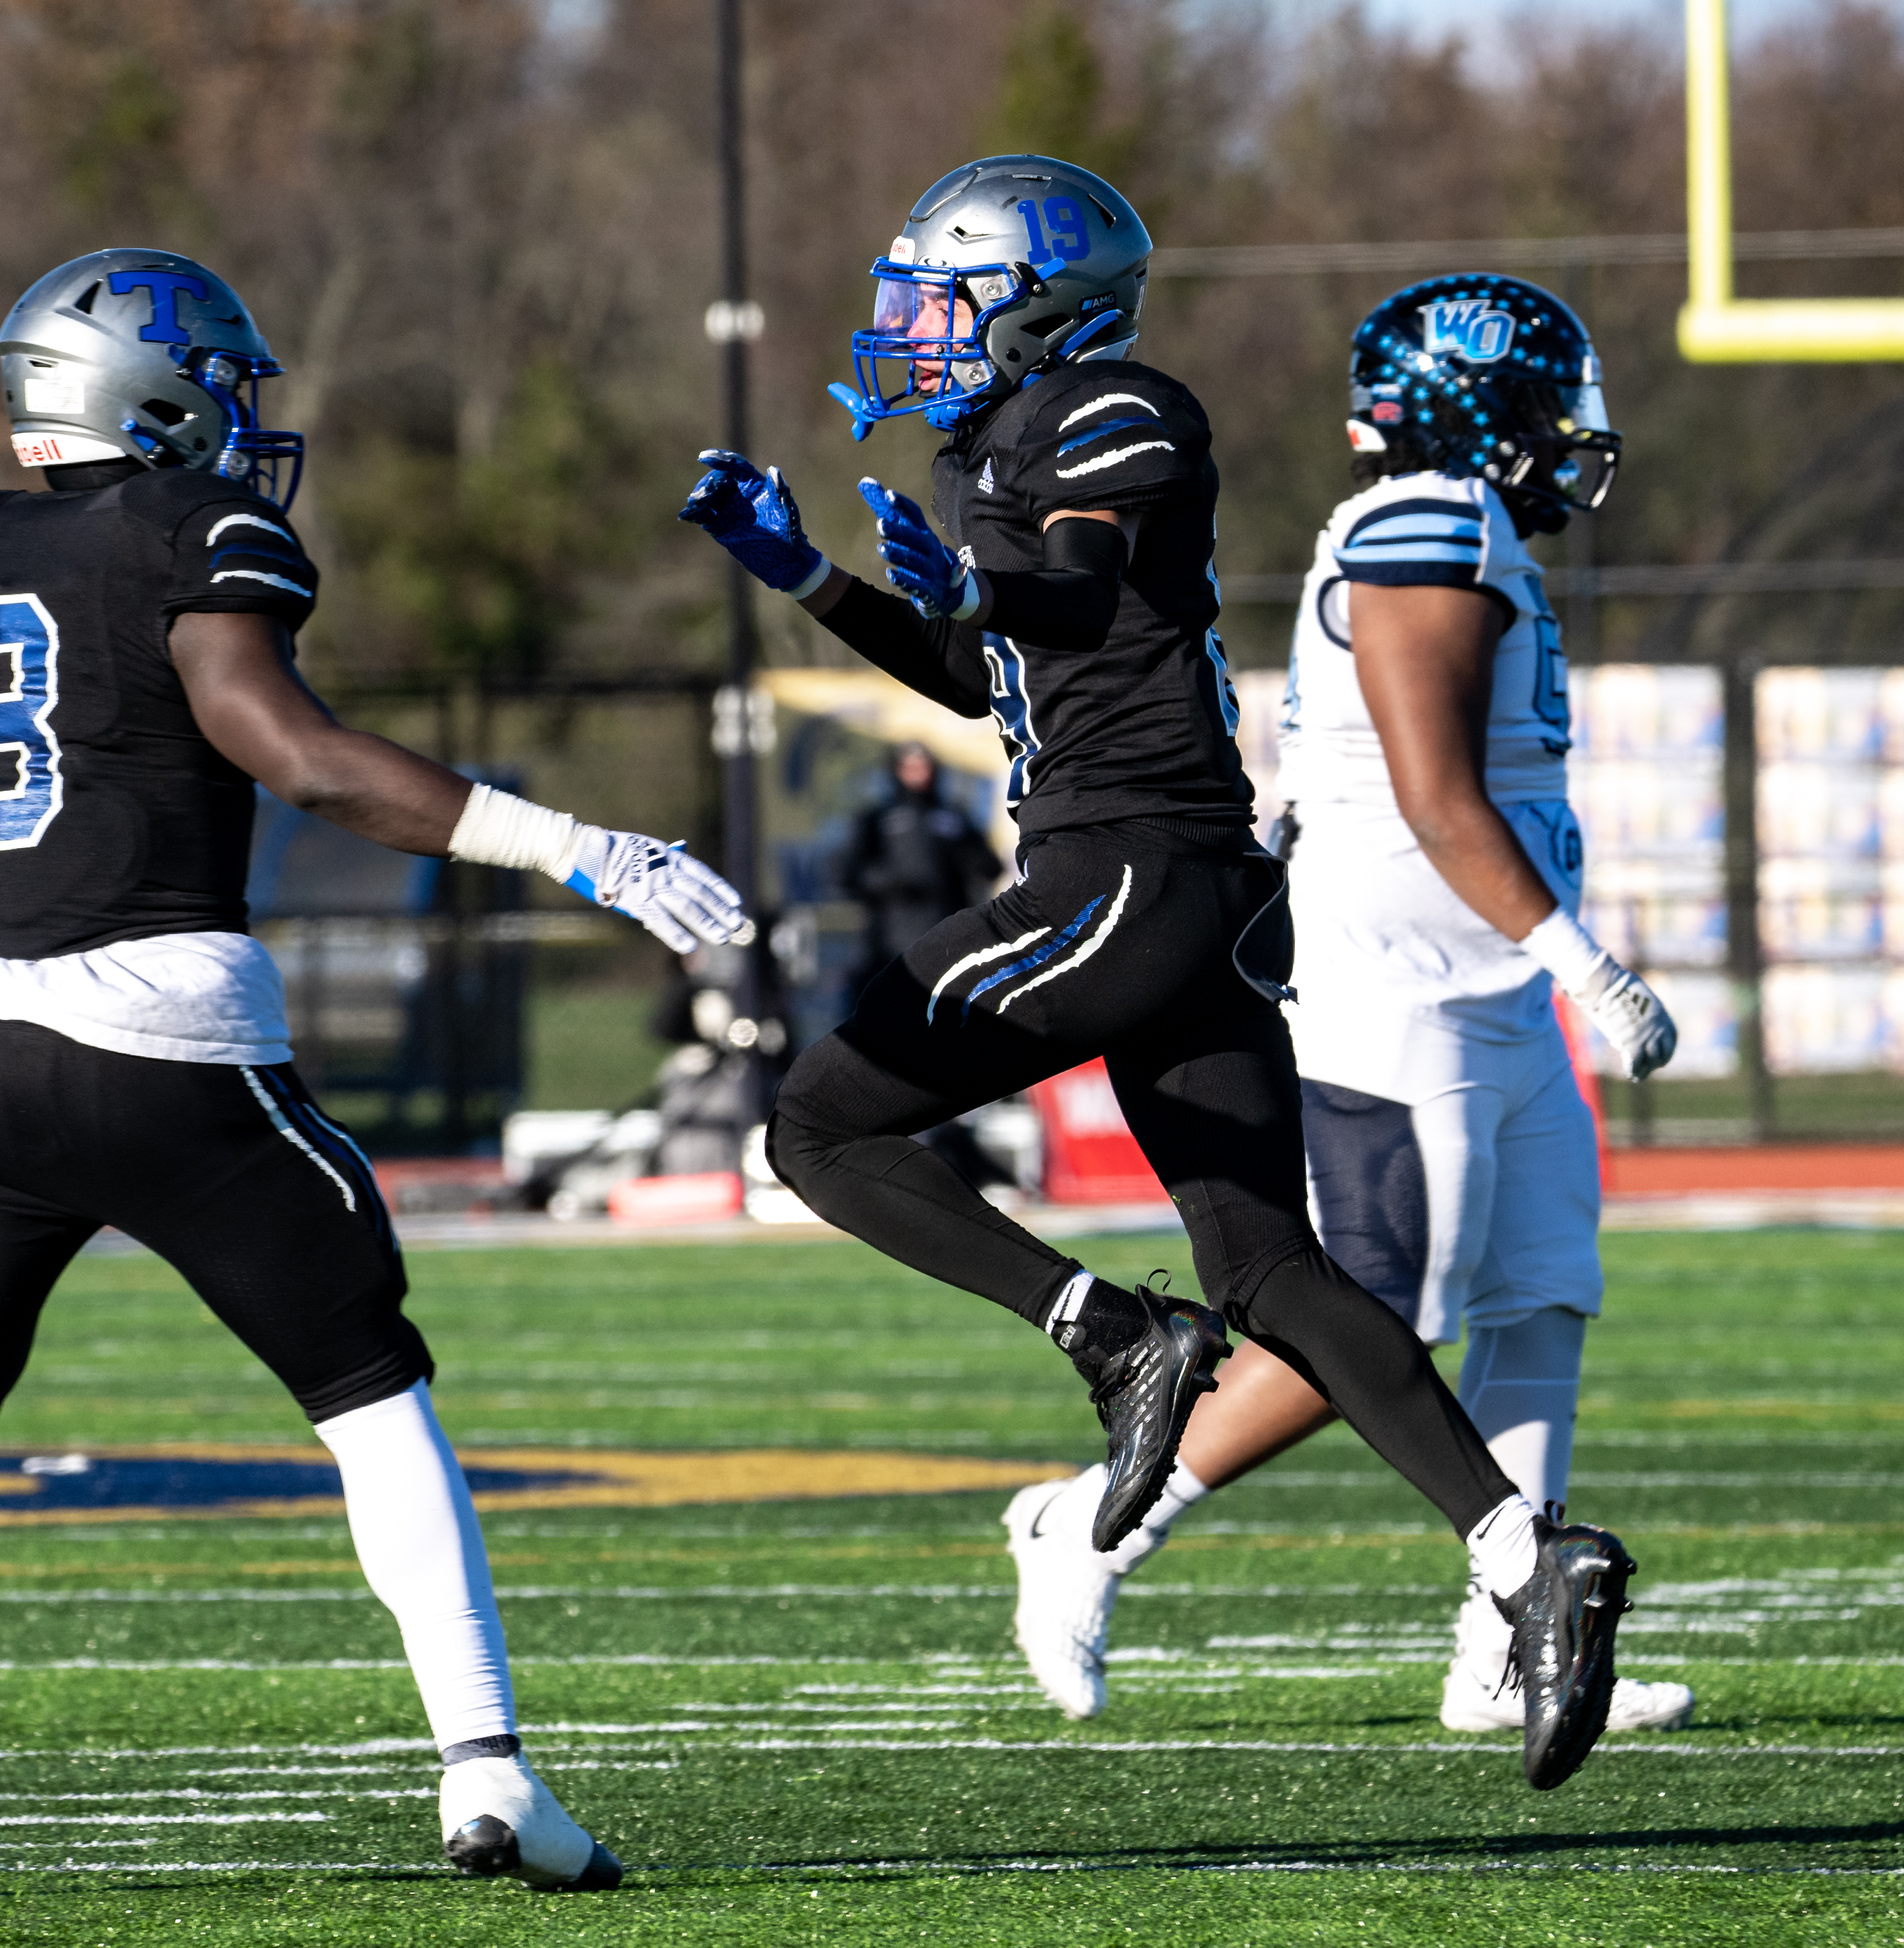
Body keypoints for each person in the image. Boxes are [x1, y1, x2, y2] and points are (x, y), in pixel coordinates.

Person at [0, 248, 747, 1904]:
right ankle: (487, 1772)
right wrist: (585, 846)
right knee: (373, 1392)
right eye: (226, 385)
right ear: (152, 389)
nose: (251, 424)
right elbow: (292, 747)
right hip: (164, 1029)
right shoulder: (193, 532)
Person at [681, 159, 1636, 1791]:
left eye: (945, 293)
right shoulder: (1006, 438)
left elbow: (1077, 573)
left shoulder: (1119, 404)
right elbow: (999, 671)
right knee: (1274, 1270)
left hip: (1125, 869)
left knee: (817, 1130)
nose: (913, 325)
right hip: (1180, 888)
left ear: (1038, 297)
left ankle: (1109, 1332)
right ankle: (1520, 1555)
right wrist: (815, 583)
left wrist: (985, 582)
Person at [995, 275, 1692, 1739]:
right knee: (1387, 1304)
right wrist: (1588, 964)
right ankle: (1092, 1525)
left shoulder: (1467, 523)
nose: (1567, 433)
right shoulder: (1419, 523)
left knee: (1540, 1291)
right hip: (1400, 982)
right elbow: (1434, 789)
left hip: (1475, 978)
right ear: (1470, 401)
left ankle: (1500, 1643)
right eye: (1543, 400)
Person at [839, 741, 1004, 1004]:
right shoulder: (878, 819)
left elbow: (992, 866)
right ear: (896, 771)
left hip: (947, 937)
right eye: (910, 767)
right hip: (890, 943)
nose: (918, 774)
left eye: (924, 767)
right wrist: (890, 883)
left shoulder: (953, 817)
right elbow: (848, 876)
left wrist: (968, 862)